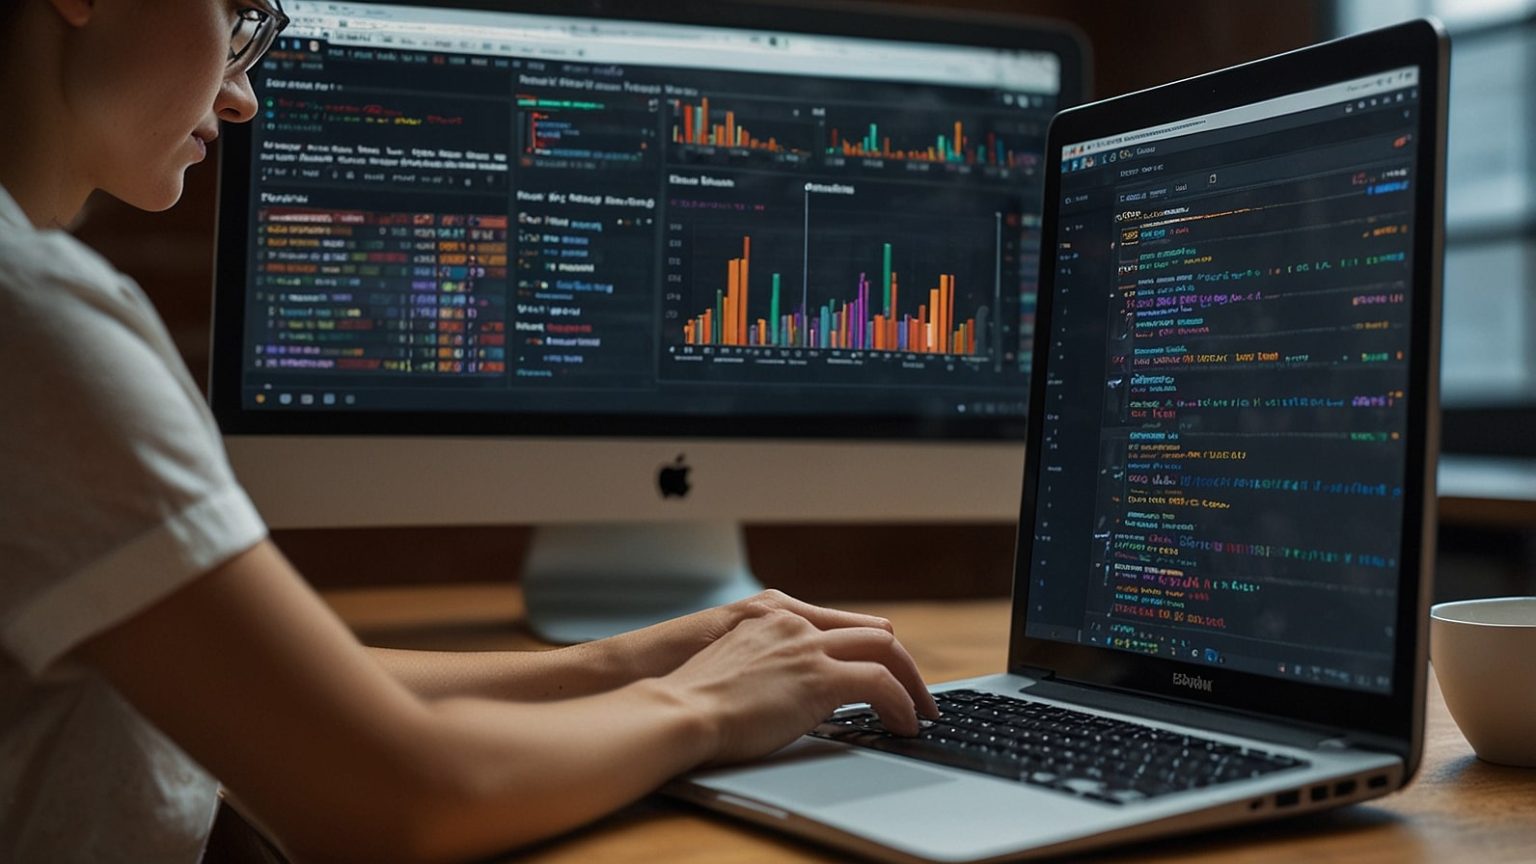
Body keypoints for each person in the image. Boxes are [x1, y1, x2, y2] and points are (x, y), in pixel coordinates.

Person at [0, 1, 940, 861]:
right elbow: (399, 795)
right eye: (234, 12)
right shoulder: (33, 324)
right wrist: (705, 704)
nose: (244, 94)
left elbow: (286, 700)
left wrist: (637, 657)